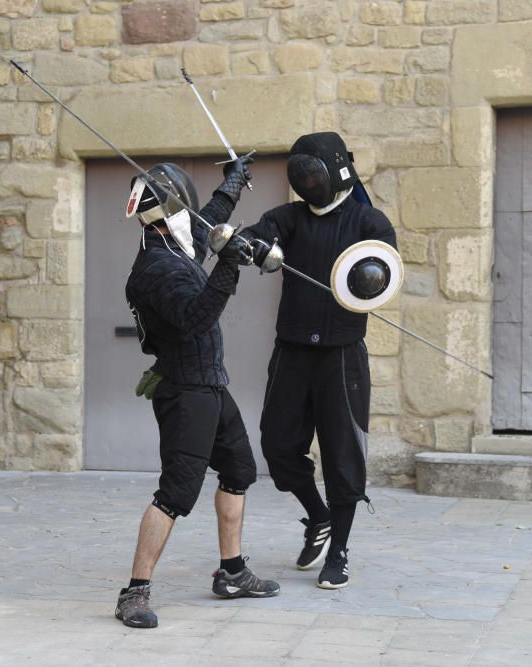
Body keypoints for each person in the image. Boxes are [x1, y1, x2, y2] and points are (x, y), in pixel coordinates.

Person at [115, 158, 280, 629]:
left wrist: (234, 183)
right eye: (185, 206)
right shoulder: (156, 268)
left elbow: (205, 218)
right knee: (175, 493)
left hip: (212, 384)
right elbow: (195, 318)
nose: (195, 216)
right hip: (186, 391)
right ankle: (134, 592)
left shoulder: (173, 243)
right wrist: (230, 263)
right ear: (171, 209)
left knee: (238, 470)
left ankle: (232, 573)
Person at [240, 132, 397, 590]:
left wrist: (369, 280)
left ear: (335, 168)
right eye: (301, 173)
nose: (307, 179)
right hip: (291, 353)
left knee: (343, 458)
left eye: (313, 171)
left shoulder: (370, 222)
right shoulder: (286, 218)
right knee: (278, 447)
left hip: (341, 356)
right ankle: (318, 516)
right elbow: (259, 236)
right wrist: (248, 246)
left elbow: (382, 268)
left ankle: (340, 551)